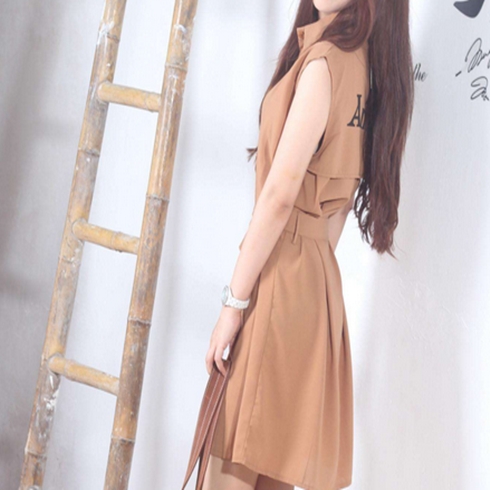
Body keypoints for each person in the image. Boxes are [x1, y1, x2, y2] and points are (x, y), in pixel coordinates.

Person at [202, 0, 414, 489]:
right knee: (274, 468)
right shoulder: (367, 73)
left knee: (231, 462)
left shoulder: (323, 63)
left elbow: (279, 196)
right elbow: (336, 214)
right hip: (318, 296)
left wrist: (234, 303)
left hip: (278, 282)